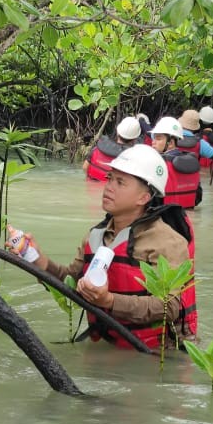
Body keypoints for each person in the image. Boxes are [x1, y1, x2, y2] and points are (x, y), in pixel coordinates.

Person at [20, 145, 198, 350]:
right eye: (110, 178)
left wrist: (109, 301)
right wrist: (38, 260)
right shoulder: (95, 236)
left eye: (120, 182)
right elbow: (71, 283)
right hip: (107, 345)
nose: (109, 187)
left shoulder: (168, 242)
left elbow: (171, 307)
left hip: (155, 353)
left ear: (144, 197)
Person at [148, 116, 201, 208]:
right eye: (154, 138)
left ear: (171, 143)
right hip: (187, 216)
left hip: (164, 216)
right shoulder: (192, 161)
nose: (153, 142)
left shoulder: (159, 164)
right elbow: (198, 197)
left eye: (158, 138)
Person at [81, 116, 142, 182]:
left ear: (118, 133)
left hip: (91, 187)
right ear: (135, 139)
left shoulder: (97, 148)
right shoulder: (132, 158)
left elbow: (85, 167)